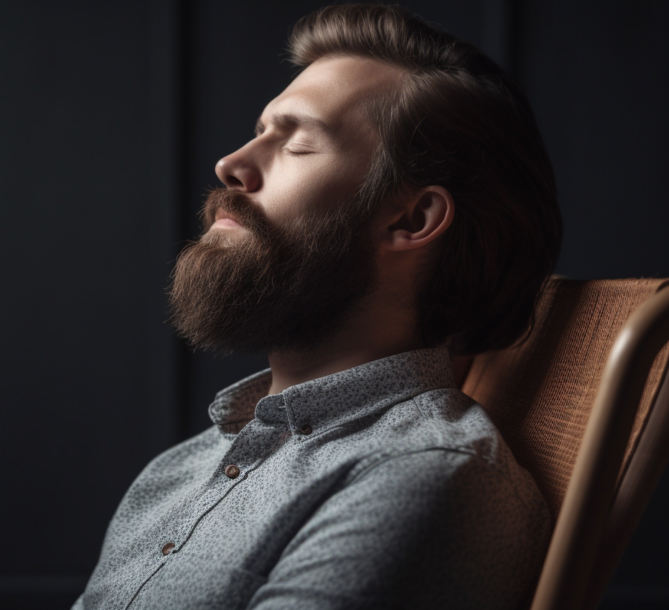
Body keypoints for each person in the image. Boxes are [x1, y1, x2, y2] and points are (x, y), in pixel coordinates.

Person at [74, 4, 561, 609]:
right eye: (259, 130)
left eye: (297, 143)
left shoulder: (421, 476)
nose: (231, 165)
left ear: (412, 218)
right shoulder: (176, 471)